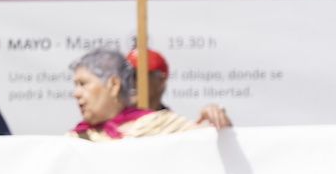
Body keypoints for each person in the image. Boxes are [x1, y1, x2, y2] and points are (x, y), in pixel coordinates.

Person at [67, 48, 230, 140]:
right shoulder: (75, 138)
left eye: (83, 84)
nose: (76, 93)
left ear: (114, 84)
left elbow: (221, 140)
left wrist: (216, 113)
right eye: (76, 85)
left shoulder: (160, 124)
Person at [123, 48, 231, 129]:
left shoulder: (174, 125)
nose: (129, 82)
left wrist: (218, 117)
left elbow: (223, 142)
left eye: (135, 75)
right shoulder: (111, 124)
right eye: (124, 76)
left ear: (161, 80)